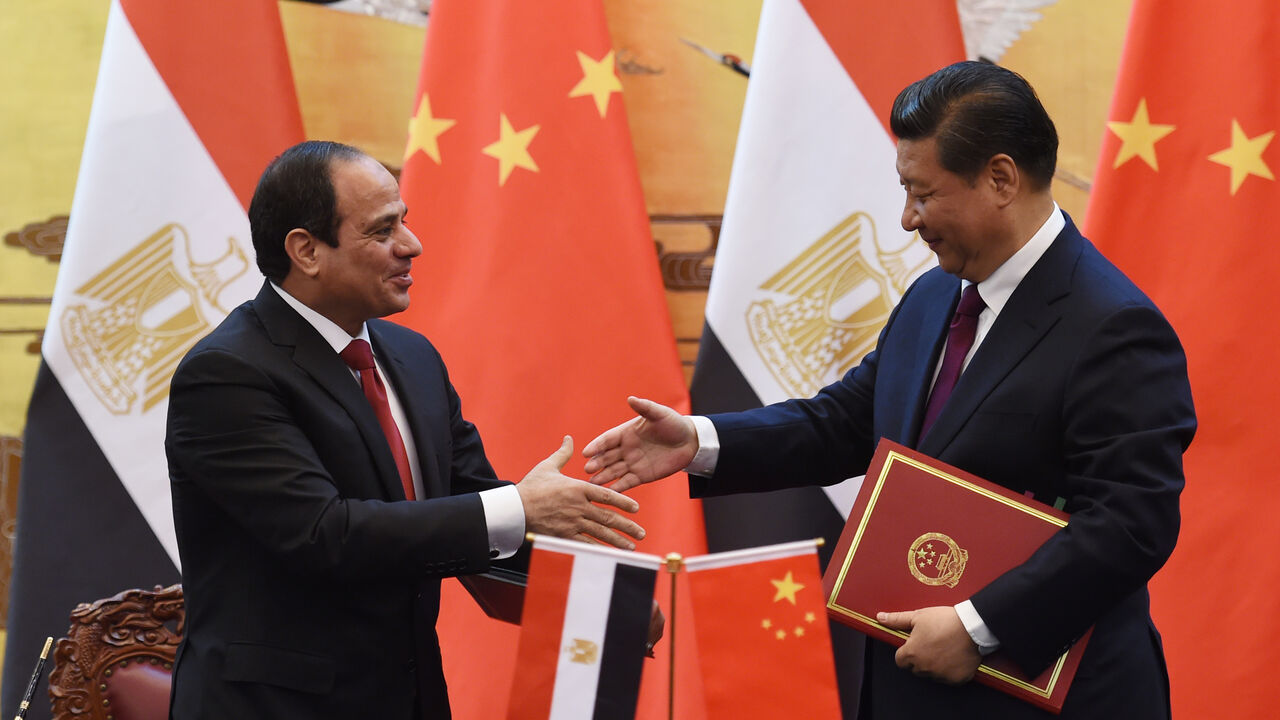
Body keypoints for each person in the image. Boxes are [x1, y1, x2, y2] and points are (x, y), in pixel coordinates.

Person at [583, 61, 1195, 720]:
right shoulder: (936, 293)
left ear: (1000, 179)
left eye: (923, 194)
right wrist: (700, 442)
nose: (906, 219)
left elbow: (1132, 524)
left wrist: (977, 626)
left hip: (1047, 697)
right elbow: (846, 423)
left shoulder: (1114, 326)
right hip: (910, 689)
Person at [165, 140, 646, 719]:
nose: (411, 246)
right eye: (381, 230)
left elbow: (469, 516)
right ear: (307, 251)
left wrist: (603, 600)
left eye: (405, 222)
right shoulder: (227, 375)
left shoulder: (413, 359)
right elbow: (324, 534)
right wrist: (518, 506)